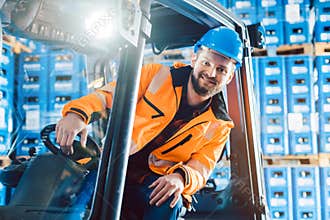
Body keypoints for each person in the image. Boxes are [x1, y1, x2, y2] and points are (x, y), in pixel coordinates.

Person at [55, 26, 243, 220]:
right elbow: (108, 96)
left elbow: (201, 167)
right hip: (114, 166)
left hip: (152, 184)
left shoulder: (220, 126)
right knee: (73, 203)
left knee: (170, 200)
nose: (211, 73)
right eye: (206, 63)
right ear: (194, 59)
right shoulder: (155, 76)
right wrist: (77, 115)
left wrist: (180, 178)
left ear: (229, 77)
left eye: (221, 69)